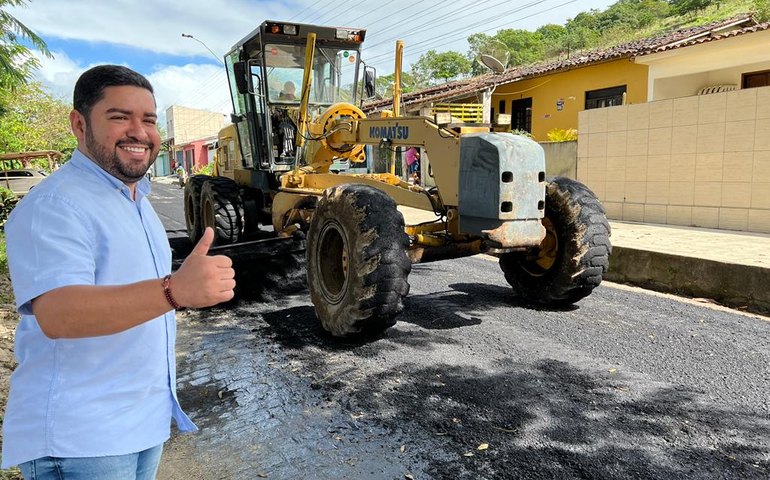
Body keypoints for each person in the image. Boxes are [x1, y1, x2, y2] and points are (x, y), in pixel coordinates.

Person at [1, 65, 235, 478]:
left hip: (140, 422)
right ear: (79, 124)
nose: (139, 131)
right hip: (82, 438)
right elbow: (60, 313)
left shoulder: (137, 201)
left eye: (148, 119)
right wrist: (175, 291)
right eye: (118, 117)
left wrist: (183, 286)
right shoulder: (56, 205)